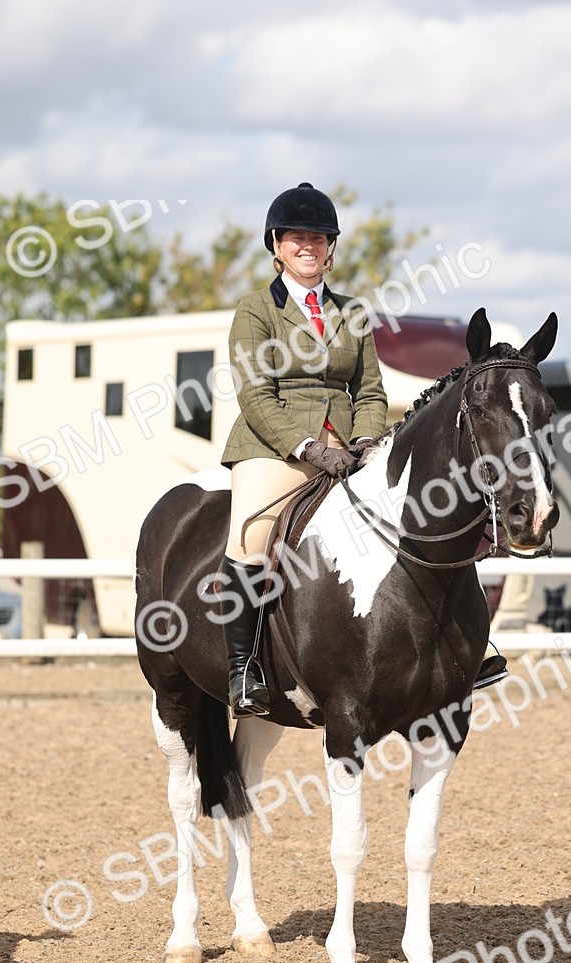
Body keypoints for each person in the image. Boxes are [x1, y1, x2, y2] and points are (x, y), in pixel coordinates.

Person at [219, 182, 389, 718]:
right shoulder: (255, 310)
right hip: (274, 444)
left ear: (330, 246)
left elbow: (370, 391)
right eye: (298, 237)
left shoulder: (353, 312)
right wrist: (308, 448)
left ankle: (462, 645)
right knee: (252, 534)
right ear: (277, 244)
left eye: (318, 237)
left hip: (348, 447)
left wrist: (364, 442)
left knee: (413, 514)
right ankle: (243, 668)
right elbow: (254, 394)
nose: (308, 246)